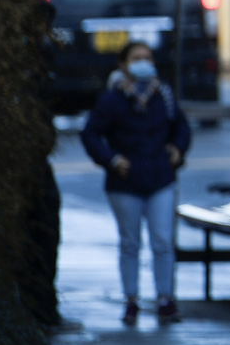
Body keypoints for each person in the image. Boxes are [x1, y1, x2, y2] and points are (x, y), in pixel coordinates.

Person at [80, 41, 192, 326]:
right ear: (123, 64)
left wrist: (177, 149)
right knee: (130, 242)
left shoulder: (162, 95)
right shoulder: (112, 100)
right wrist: (112, 159)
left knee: (163, 241)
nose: (143, 62)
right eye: (136, 58)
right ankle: (131, 300)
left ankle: (165, 298)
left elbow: (181, 126)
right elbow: (91, 134)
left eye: (147, 57)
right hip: (125, 181)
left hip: (159, 177)